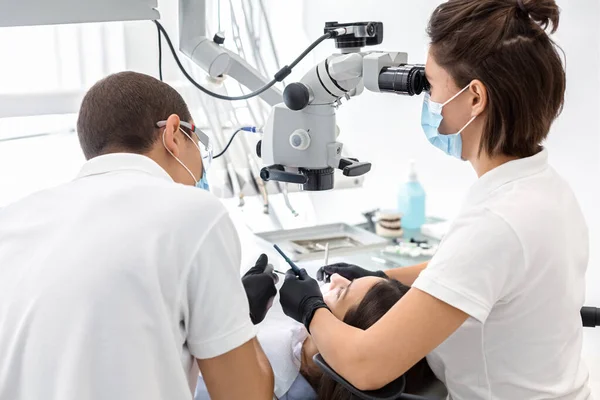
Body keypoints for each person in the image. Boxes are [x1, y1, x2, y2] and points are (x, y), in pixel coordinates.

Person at [278, 1, 592, 399]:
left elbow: (367, 365)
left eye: (430, 84)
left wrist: (310, 309)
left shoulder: (499, 221)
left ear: (475, 97)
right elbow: (466, 271)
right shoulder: (544, 188)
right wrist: (385, 277)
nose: (427, 100)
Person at [0, 72, 276, 400]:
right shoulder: (194, 213)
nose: (202, 168)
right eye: (200, 146)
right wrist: (240, 318)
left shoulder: (13, 219)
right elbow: (245, 395)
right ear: (174, 132)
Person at [194, 274, 436, 400]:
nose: (335, 278)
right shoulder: (297, 341)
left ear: (340, 342)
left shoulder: (275, 386)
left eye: (342, 292)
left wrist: (233, 317)